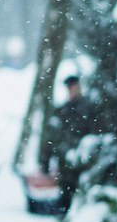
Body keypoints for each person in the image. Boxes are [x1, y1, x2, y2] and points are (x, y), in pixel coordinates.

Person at [43, 73, 106, 212]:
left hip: (83, 164)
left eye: (73, 86)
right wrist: (46, 161)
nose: (71, 90)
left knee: (81, 199)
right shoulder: (62, 111)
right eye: (69, 87)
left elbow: (96, 135)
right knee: (66, 198)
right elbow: (52, 138)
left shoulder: (89, 108)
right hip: (65, 163)